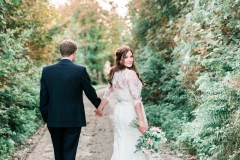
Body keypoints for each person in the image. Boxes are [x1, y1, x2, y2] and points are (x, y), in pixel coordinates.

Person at [40, 39, 101, 160]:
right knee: (69, 154)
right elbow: (90, 92)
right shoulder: (80, 70)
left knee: (58, 154)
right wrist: (100, 106)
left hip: (54, 119)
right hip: (73, 120)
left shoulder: (47, 71)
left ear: (60, 53)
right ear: (74, 53)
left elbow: (43, 98)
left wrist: (47, 117)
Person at [95, 46, 149, 160]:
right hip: (131, 114)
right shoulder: (130, 74)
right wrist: (141, 121)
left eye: (131, 56)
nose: (130, 59)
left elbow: (107, 94)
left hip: (119, 113)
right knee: (134, 146)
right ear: (120, 60)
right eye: (126, 57)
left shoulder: (115, 73)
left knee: (121, 145)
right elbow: (136, 100)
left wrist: (99, 109)